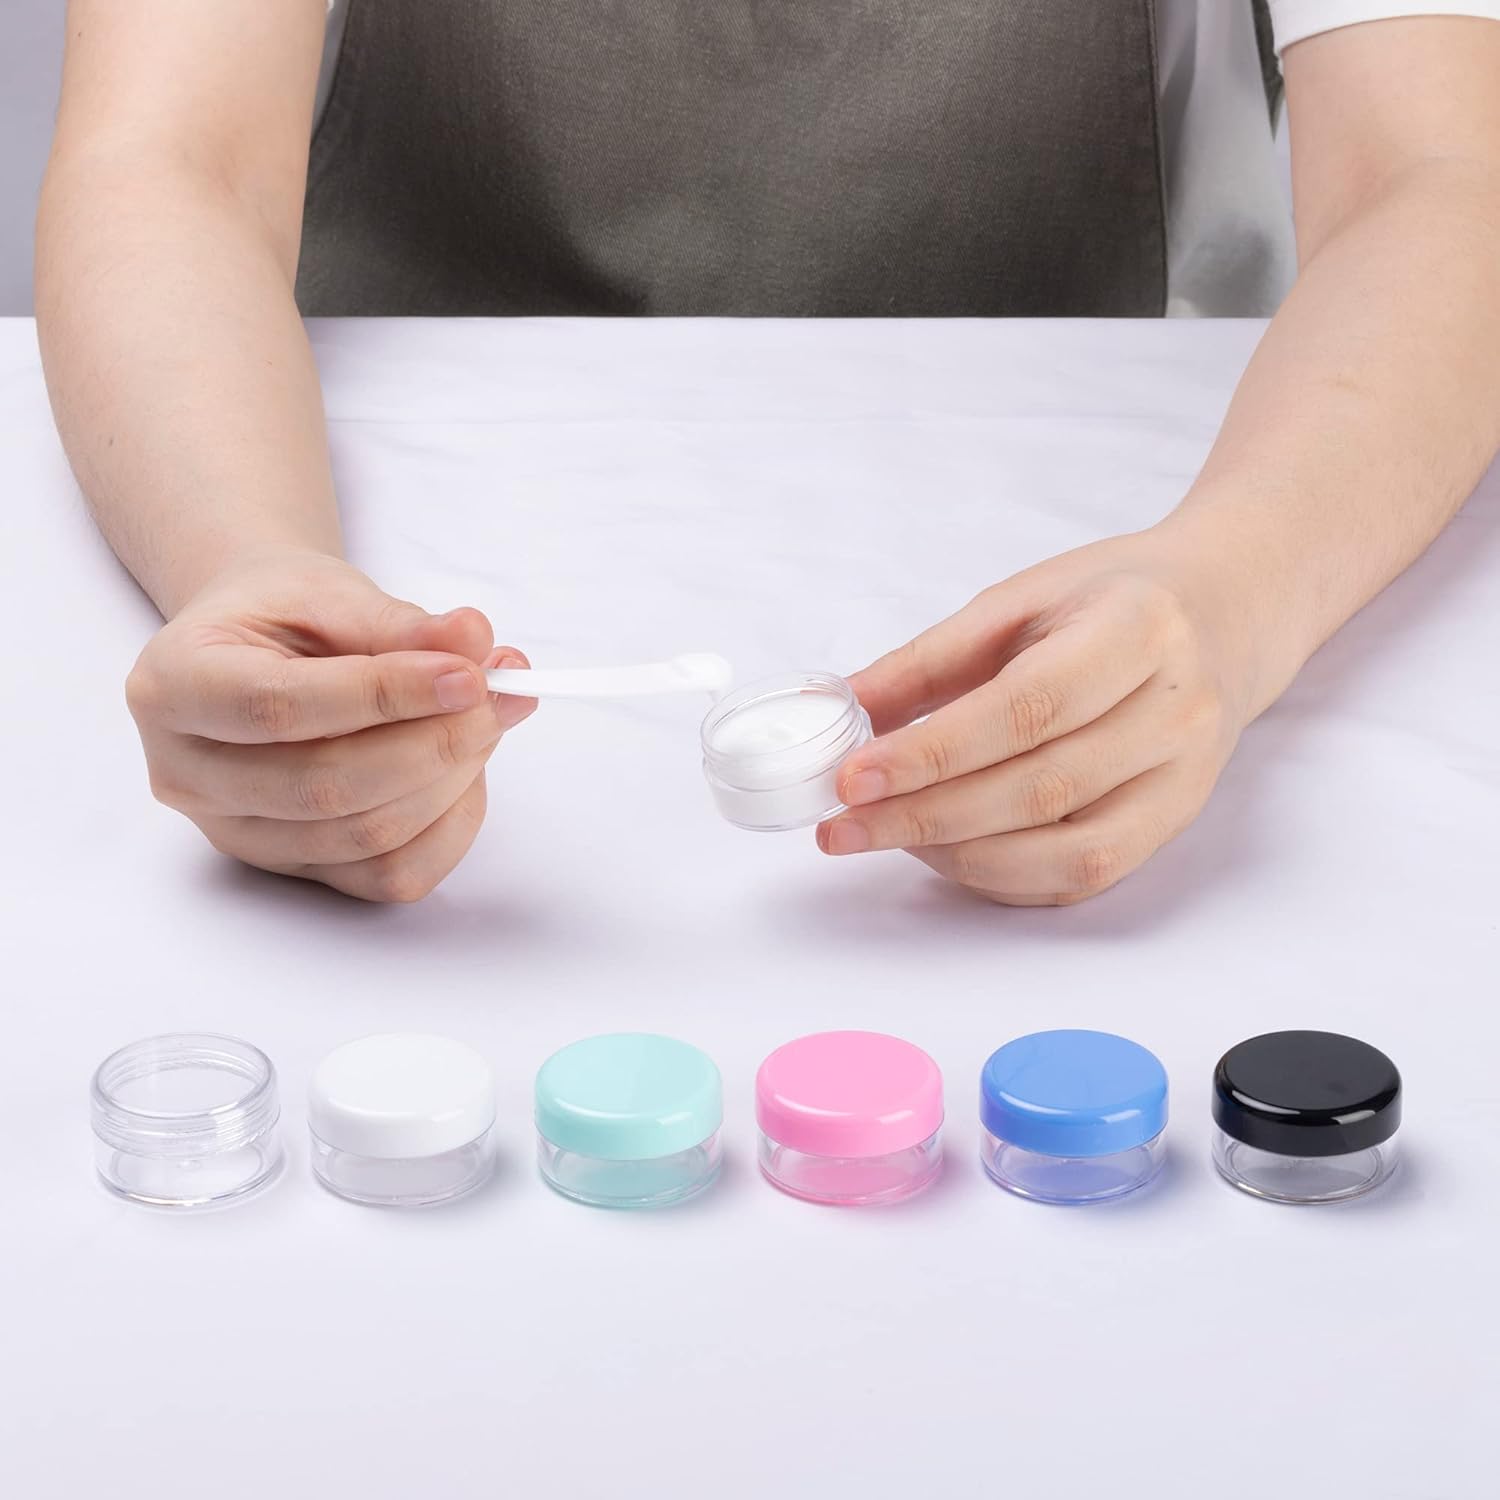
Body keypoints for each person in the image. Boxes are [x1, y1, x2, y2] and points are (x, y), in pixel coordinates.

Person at [35, 0, 1500, 905]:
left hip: (1125, 493)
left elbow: (1439, 175)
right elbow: (166, 158)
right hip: (394, 494)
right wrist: (247, 564)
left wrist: (1235, 590)